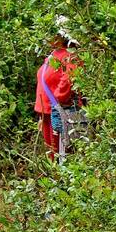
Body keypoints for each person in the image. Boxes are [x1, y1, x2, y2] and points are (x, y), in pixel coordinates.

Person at [34, 19, 84, 159]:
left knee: (62, 153)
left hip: (61, 112)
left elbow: (70, 78)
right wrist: (42, 115)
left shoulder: (70, 56)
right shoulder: (52, 56)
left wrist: (58, 99)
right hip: (48, 113)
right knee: (52, 155)